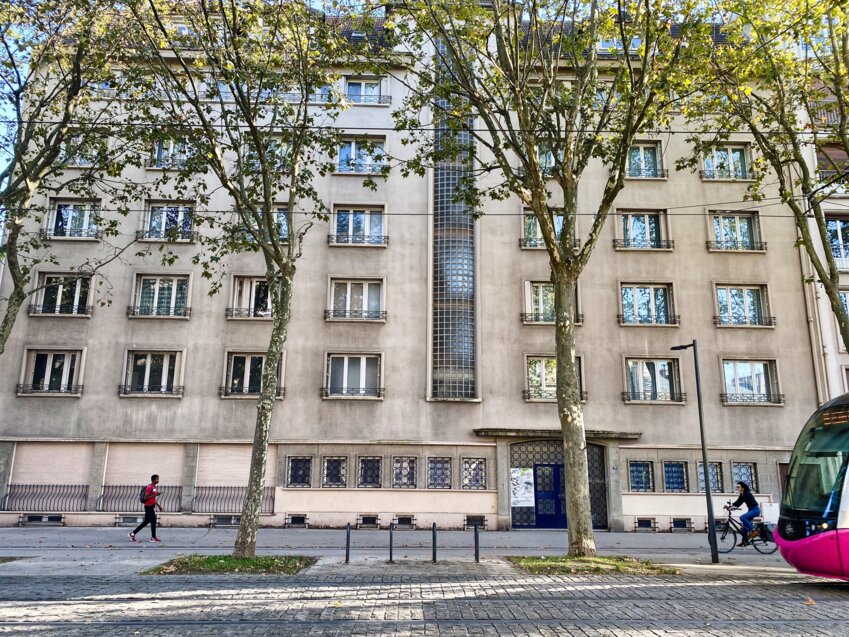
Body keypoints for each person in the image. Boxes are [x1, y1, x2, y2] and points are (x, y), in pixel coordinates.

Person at [130, 474, 163, 543]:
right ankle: (153, 538)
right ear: (153, 480)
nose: (158, 480)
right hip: (148, 506)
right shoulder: (150, 487)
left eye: (158, 479)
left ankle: (132, 534)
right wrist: (155, 494)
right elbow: (145, 498)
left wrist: (159, 506)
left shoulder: (154, 487)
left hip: (151, 506)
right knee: (153, 521)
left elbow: (153, 498)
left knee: (146, 522)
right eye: (157, 479)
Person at [726, 481, 759, 547]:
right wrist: (730, 506)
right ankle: (744, 542)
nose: (737, 488)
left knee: (742, 517)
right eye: (736, 487)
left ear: (742, 488)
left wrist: (733, 506)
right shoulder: (742, 494)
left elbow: (740, 503)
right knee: (744, 527)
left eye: (738, 487)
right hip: (751, 510)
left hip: (755, 510)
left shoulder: (746, 493)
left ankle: (753, 531)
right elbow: (737, 502)